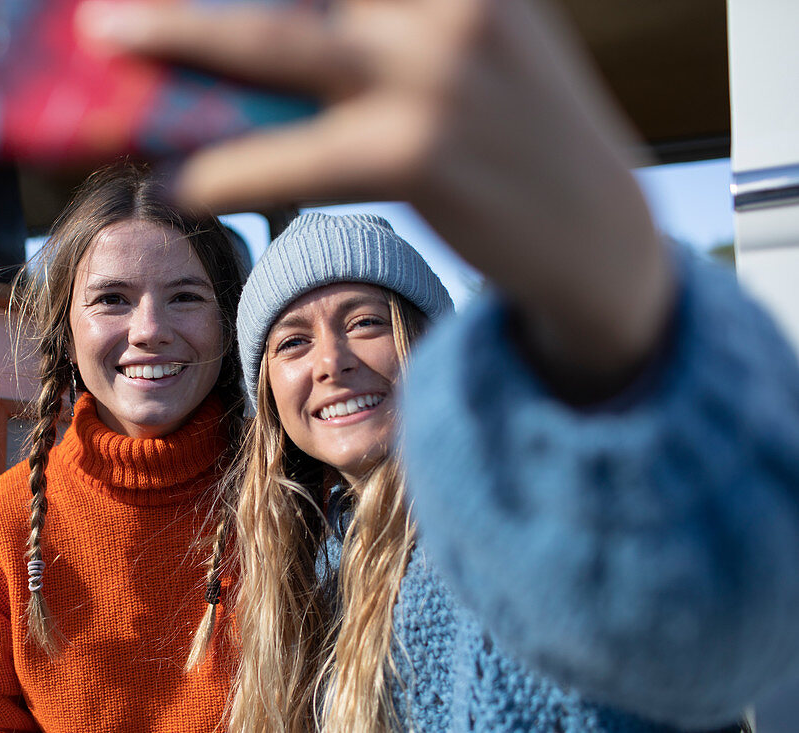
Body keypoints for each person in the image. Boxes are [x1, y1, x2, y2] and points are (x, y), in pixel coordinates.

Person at [77, 0, 799, 729]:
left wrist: (623, 330)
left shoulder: (494, 541)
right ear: (266, 390)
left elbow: (678, 612)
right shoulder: (301, 564)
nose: (330, 361)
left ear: (432, 345)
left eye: (366, 323)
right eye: (292, 342)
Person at [0, 162, 246, 732]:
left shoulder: (306, 511)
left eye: (186, 297)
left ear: (228, 323)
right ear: (66, 333)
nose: (149, 329)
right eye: (113, 299)